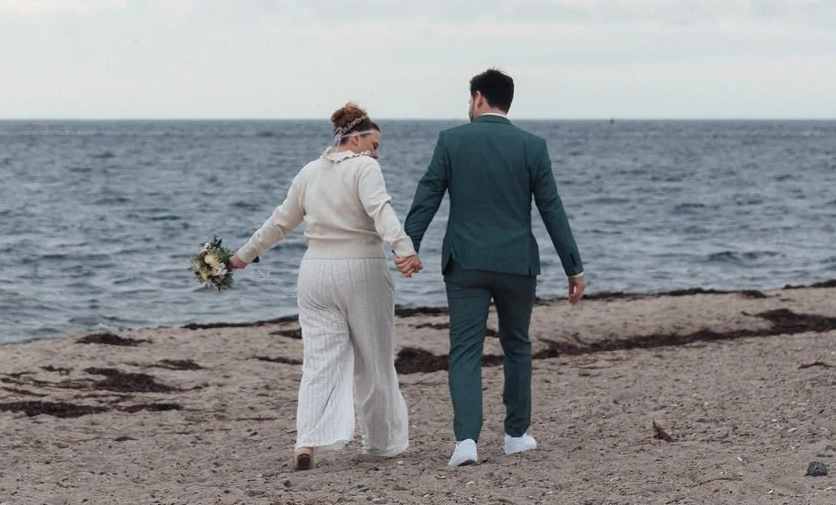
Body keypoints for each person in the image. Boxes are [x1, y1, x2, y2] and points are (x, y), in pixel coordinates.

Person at [403, 68, 586, 467]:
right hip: (517, 264)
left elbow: (427, 195)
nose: (468, 107)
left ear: (479, 97)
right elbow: (551, 209)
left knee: (464, 350)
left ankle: (466, 442)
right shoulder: (532, 146)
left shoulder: (451, 141)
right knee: (517, 345)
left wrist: (407, 246)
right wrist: (574, 268)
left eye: (469, 100)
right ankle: (515, 436)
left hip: (465, 263)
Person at [229, 102, 423, 470]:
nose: (377, 153)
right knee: (374, 358)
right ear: (354, 138)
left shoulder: (309, 172)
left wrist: (243, 255)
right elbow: (382, 211)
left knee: (318, 361)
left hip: (315, 273)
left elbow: (279, 223)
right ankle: (381, 442)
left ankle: (307, 440)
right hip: (361, 270)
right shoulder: (364, 168)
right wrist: (405, 251)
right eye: (374, 144)